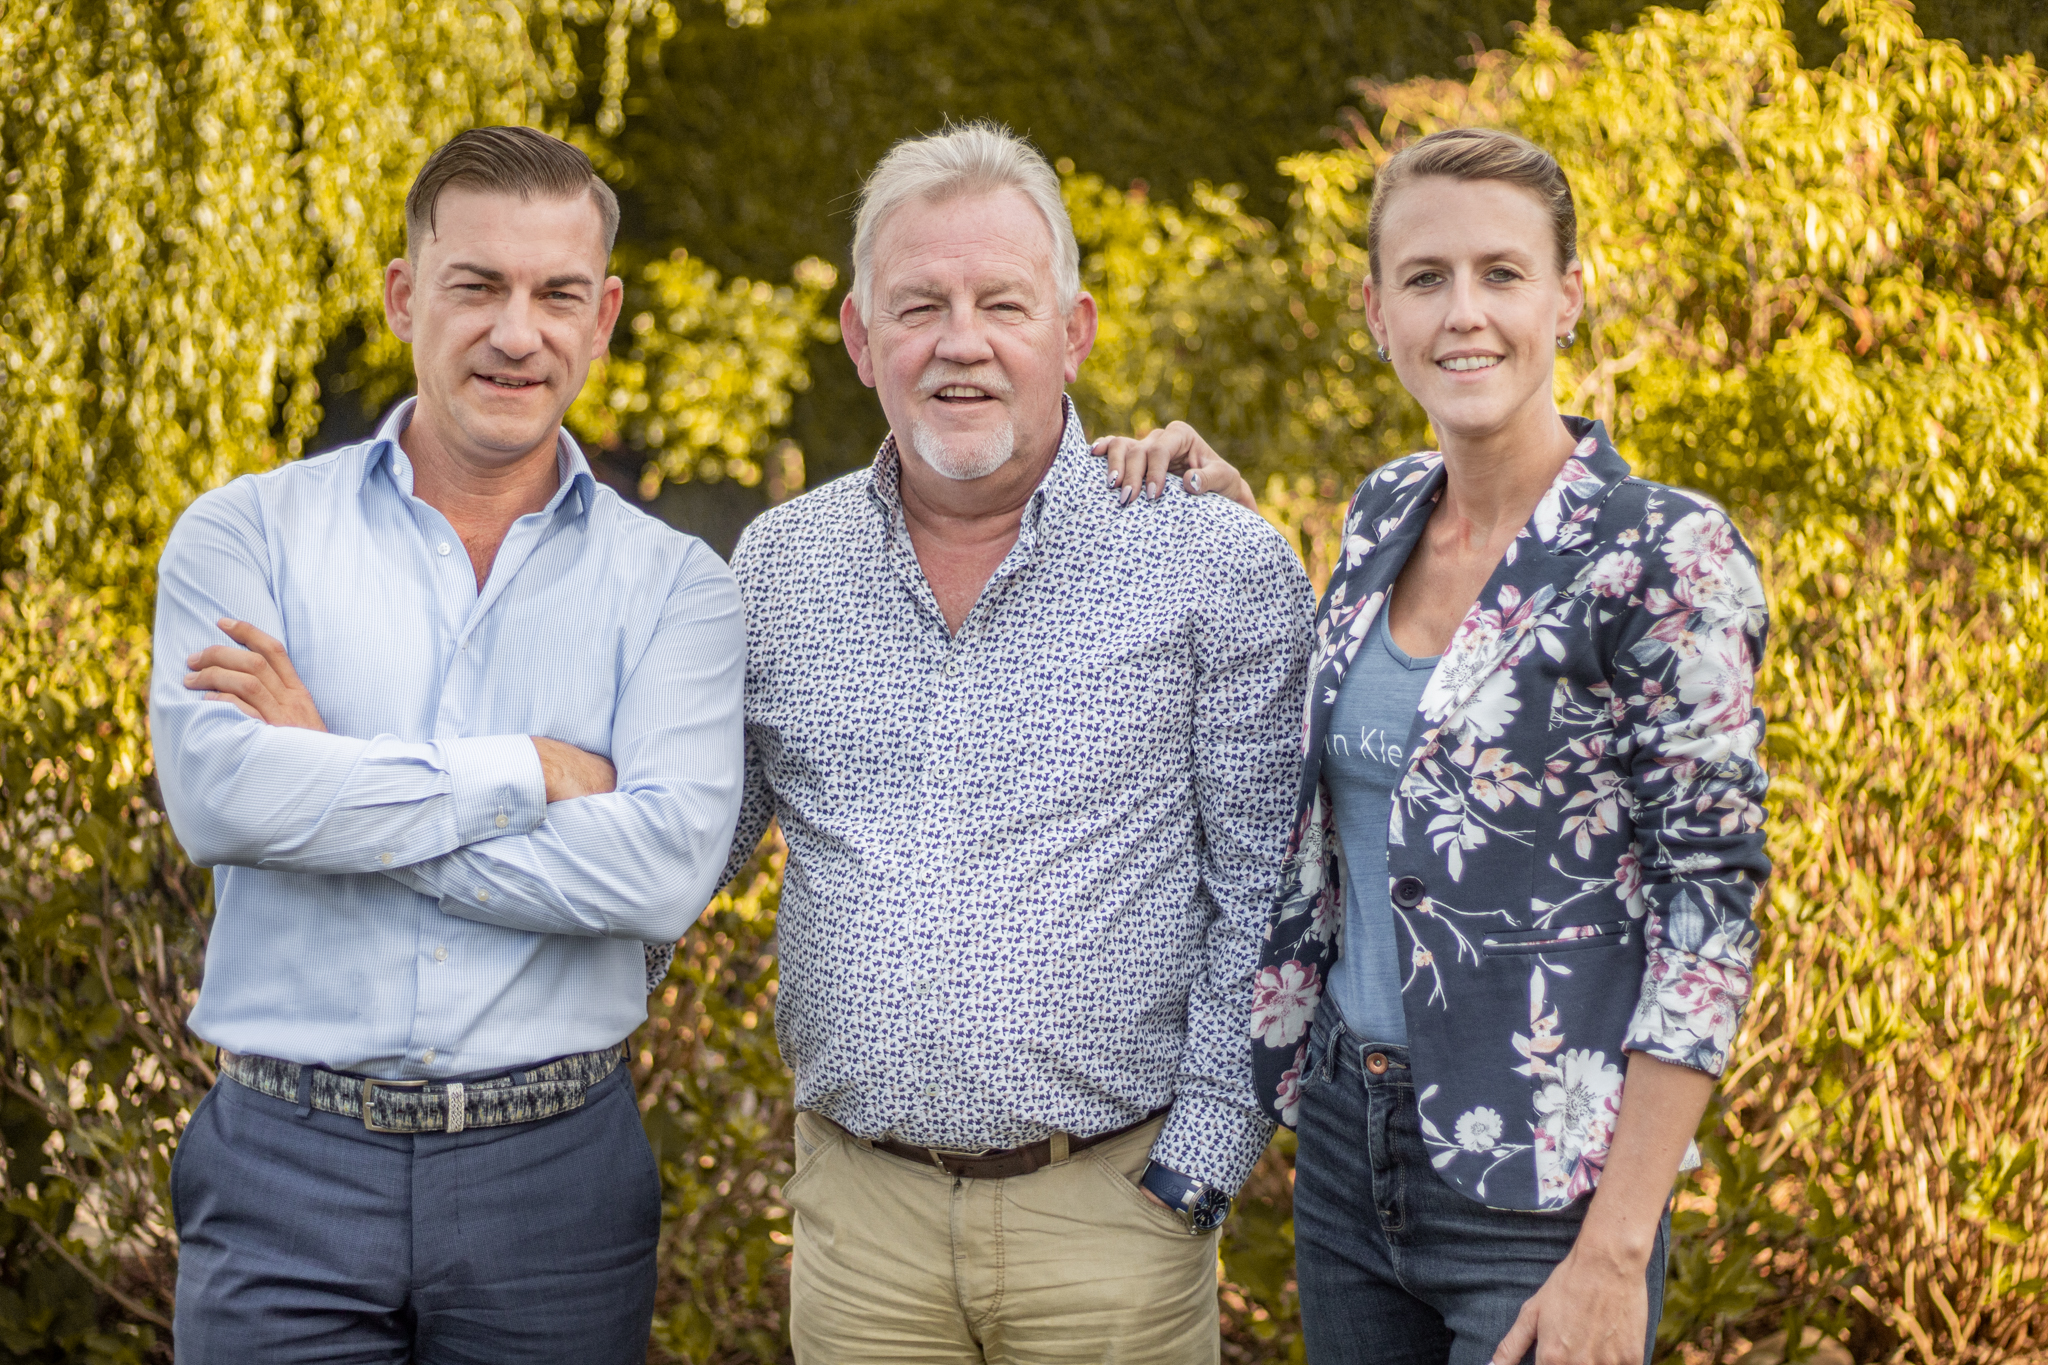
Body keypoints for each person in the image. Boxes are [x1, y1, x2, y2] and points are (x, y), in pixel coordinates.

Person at [1098, 127, 1770, 1365]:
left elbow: (1708, 919)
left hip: (1545, 1193)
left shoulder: (1663, 554)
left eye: (1500, 273)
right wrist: (1226, 525)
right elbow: (1363, 748)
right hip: (1346, 1150)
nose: (1463, 312)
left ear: (1566, 296)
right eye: (1424, 278)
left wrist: (1614, 1252)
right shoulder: (1380, 512)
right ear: (1375, 311)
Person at [703, 120, 1311, 1363]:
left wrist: (1196, 1169)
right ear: (859, 338)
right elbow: (688, 846)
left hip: (1111, 1223)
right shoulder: (777, 567)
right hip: (859, 1234)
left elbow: (1269, 887)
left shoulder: (1207, 559)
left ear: (1072, 331)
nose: (961, 341)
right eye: (919, 306)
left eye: (1002, 304)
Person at [151, 126, 745, 1363]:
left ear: (602, 316)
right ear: (402, 295)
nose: (516, 334)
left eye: (556, 294)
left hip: (553, 1179)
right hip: (282, 1166)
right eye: (477, 285)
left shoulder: (676, 587)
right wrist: (530, 772)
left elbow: (659, 876)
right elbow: (222, 801)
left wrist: (329, 776)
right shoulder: (244, 537)